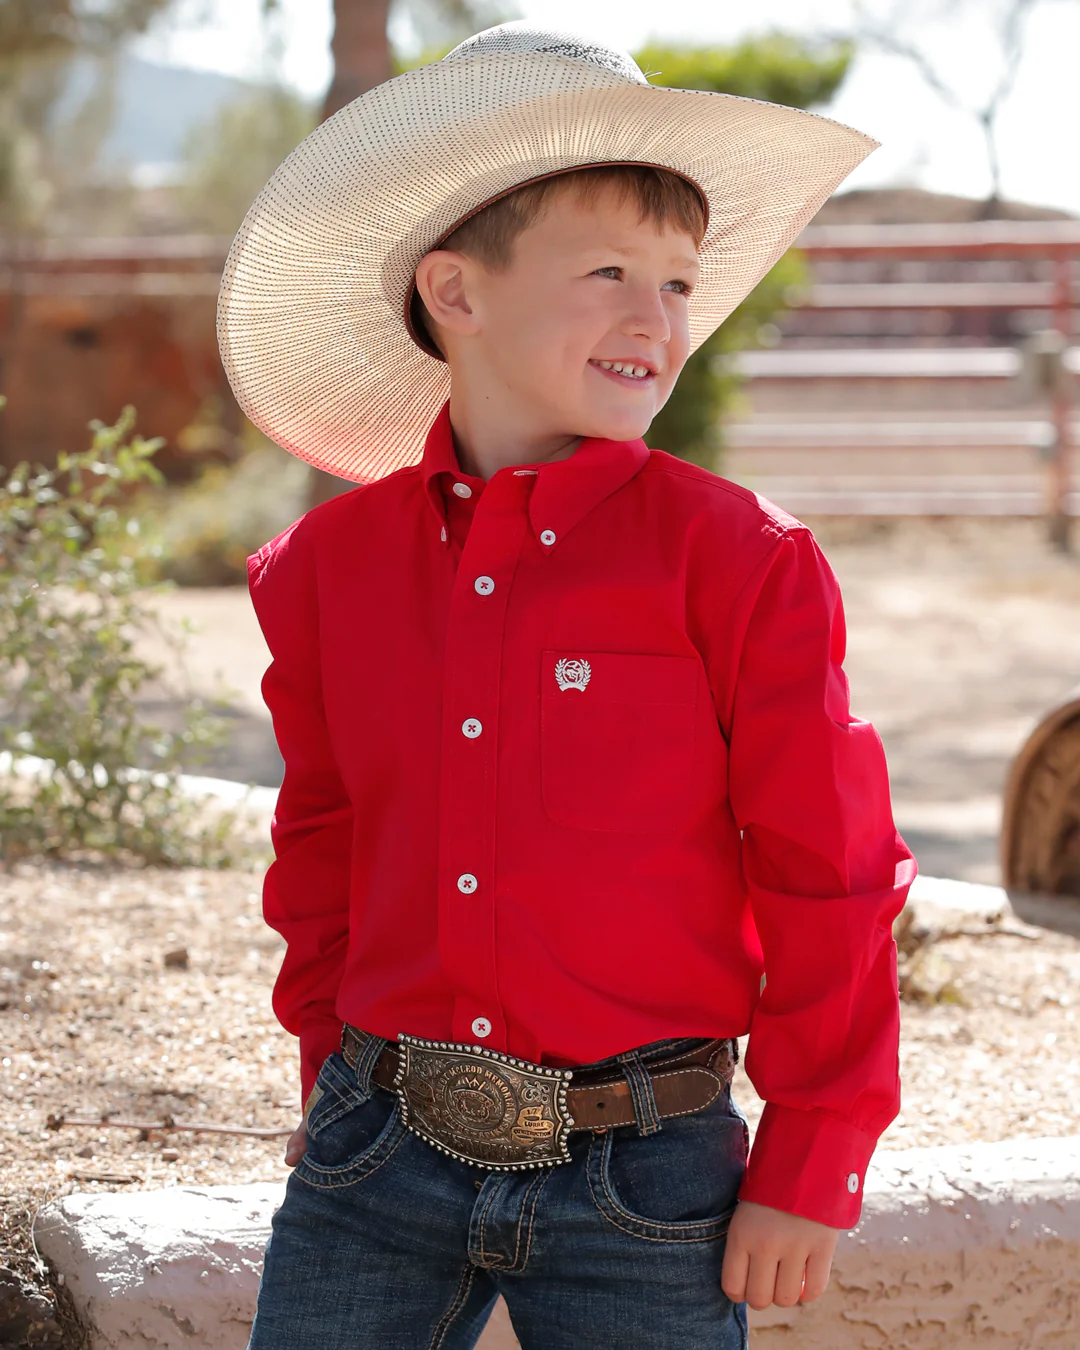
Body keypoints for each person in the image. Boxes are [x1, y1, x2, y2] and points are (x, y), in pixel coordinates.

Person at [218, 21, 916, 1350]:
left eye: (677, 280)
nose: (655, 315)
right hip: (373, 1153)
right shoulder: (320, 573)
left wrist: (814, 1157)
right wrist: (327, 1069)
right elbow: (322, 847)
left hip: (647, 1177)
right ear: (457, 292)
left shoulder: (742, 563)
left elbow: (829, 871)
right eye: (607, 270)